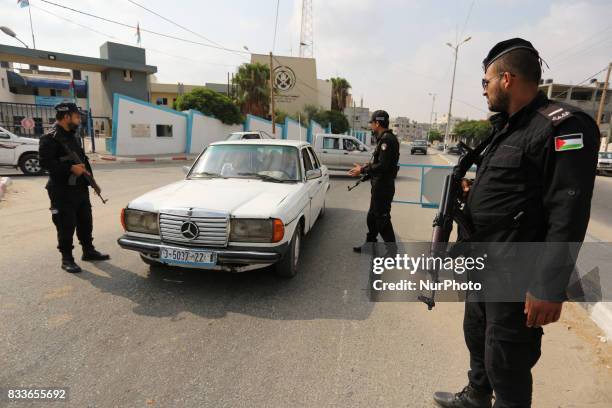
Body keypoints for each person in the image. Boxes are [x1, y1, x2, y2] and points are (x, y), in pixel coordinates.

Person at [433, 39, 600, 408]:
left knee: (506, 359)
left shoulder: (562, 126)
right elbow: (515, 184)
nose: (483, 90)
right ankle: (477, 395)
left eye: (485, 81)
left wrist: (549, 285)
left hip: (517, 272)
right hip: (485, 262)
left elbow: (567, 211)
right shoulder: (509, 128)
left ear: (506, 79)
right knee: (476, 335)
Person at [39, 103, 110, 274]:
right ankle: (67, 259)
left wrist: (92, 182)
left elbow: (82, 162)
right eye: (77, 117)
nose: (79, 120)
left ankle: (88, 251)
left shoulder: (72, 137)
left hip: (80, 188)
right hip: (61, 191)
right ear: (66, 117)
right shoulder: (49, 138)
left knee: (85, 221)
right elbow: (45, 164)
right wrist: (70, 169)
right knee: (66, 224)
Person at [349, 110, 400, 252]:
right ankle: (370, 244)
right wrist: (367, 172)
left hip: (383, 188)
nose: (371, 126)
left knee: (382, 219)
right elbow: (381, 164)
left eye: (372, 123)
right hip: (380, 185)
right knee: (372, 218)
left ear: (377, 123)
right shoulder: (385, 138)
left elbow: (383, 166)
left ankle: (392, 251)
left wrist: (363, 170)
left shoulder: (387, 140)